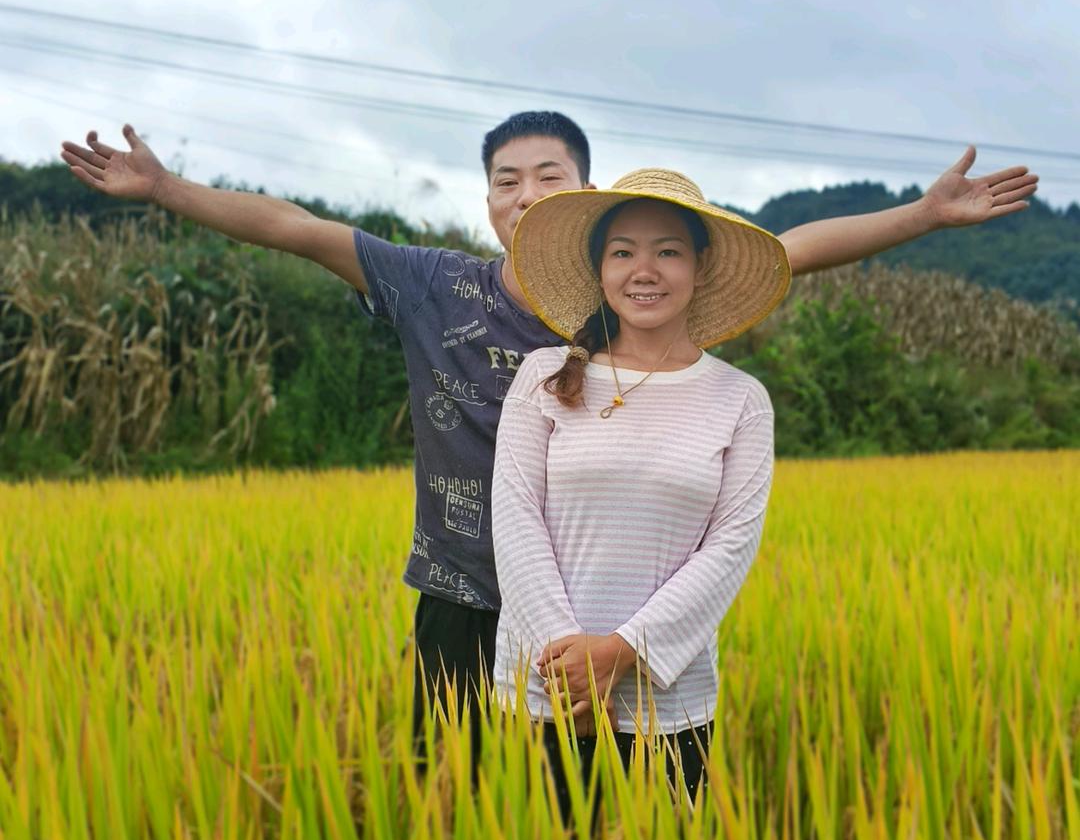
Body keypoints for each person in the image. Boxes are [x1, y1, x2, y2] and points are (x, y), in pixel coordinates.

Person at [59, 111, 1038, 749]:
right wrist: (169, 190)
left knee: (606, 822)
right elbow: (298, 227)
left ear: (581, 191)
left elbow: (790, 252)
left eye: (548, 176)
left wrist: (921, 214)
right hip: (465, 595)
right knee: (467, 806)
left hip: (612, 615)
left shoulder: (632, 292)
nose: (525, 194)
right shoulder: (433, 285)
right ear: (487, 200)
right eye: (505, 180)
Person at [491, 168, 786, 809]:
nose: (643, 270)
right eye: (622, 251)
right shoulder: (543, 376)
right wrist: (570, 666)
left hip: (667, 703)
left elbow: (730, 548)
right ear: (601, 270)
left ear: (700, 267)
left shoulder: (740, 400)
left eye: (668, 251)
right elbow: (514, 520)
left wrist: (622, 651)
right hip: (542, 694)